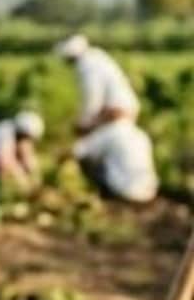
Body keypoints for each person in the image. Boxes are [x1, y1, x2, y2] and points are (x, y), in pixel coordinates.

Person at [57, 34, 158, 203]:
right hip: (150, 192)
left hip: (125, 192)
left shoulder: (87, 65)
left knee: (93, 158)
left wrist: (84, 124)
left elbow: (92, 100)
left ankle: (101, 195)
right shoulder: (140, 135)